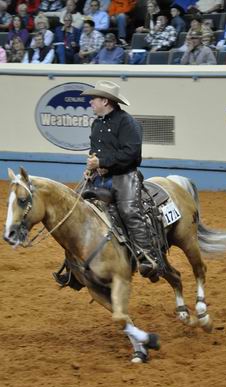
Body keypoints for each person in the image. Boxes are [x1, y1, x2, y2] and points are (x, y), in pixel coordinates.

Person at [82, 80, 160, 279]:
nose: (91, 102)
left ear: (106, 102)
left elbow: (132, 154)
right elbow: (96, 152)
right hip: (100, 178)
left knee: (129, 211)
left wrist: (101, 161)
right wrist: (91, 167)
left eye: (94, 99)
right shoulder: (97, 123)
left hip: (125, 176)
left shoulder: (127, 123)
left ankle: (148, 257)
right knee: (77, 208)